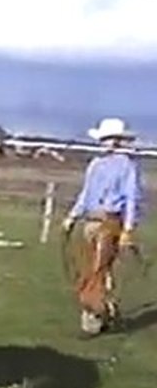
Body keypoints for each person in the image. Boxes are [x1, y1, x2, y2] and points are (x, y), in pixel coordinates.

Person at [62, 117, 145, 336]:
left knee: (98, 269)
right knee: (89, 268)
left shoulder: (128, 166)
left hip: (110, 221)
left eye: (112, 139)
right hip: (91, 220)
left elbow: (131, 198)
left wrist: (128, 229)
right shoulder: (95, 165)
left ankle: (94, 318)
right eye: (106, 138)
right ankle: (104, 310)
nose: (108, 142)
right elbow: (86, 194)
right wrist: (72, 216)